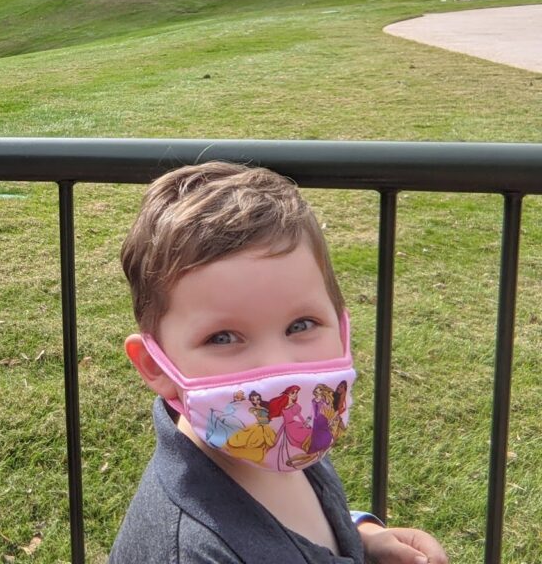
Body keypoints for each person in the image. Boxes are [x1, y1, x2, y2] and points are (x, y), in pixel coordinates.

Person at [110, 161, 448, 564]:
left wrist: (362, 537)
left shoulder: (284, 444)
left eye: (301, 325)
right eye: (222, 337)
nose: (281, 368)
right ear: (156, 367)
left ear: (341, 325)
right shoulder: (194, 551)